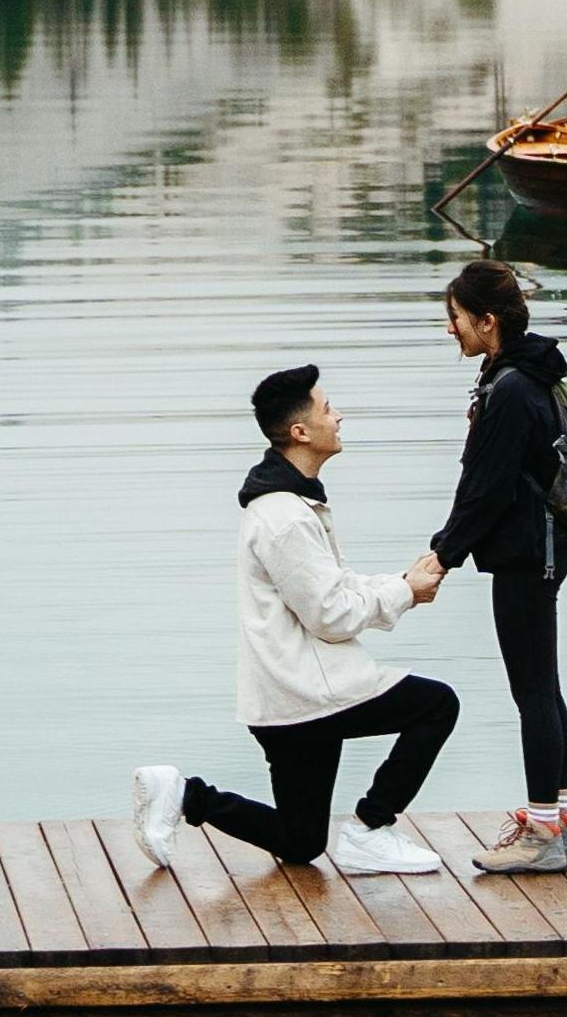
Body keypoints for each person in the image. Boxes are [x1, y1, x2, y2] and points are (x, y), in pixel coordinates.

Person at [134, 362, 460, 878]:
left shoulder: (292, 505)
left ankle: (185, 795)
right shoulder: (284, 517)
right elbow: (330, 615)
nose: (339, 417)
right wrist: (403, 593)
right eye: (328, 409)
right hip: (309, 694)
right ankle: (372, 827)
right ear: (300, 431)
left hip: (284, 701)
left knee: (301, 841)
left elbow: (334, 586)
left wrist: (402, 583)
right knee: (437, 705)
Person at [432, 258, 567, 874]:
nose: (452, 331)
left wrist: (441, 554)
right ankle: (560, 821)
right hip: (543, 547)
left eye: (457, 319)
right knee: (543, 687)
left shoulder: (513, 389)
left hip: (527, 553)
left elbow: (486, 488)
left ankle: (543, 830)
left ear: (487, 321)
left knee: (532, 694)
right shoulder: (521, 374)